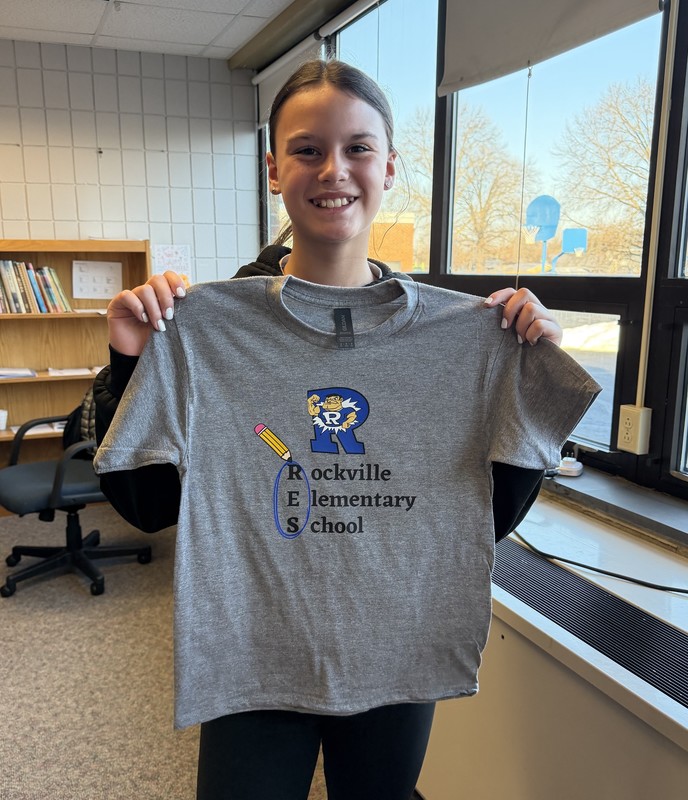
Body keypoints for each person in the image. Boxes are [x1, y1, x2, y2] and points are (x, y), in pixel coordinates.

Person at [93, 60, 599, 800]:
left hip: (396, 649)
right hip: (253, 656)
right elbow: (146, 508)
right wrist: (128, 359)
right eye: (307, 149)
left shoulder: (463, 338)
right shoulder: (205, 327)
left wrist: (521, 379)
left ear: (390, 167)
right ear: (273, 168)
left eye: (359, 148)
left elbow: (482, 520)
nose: (334, 170)